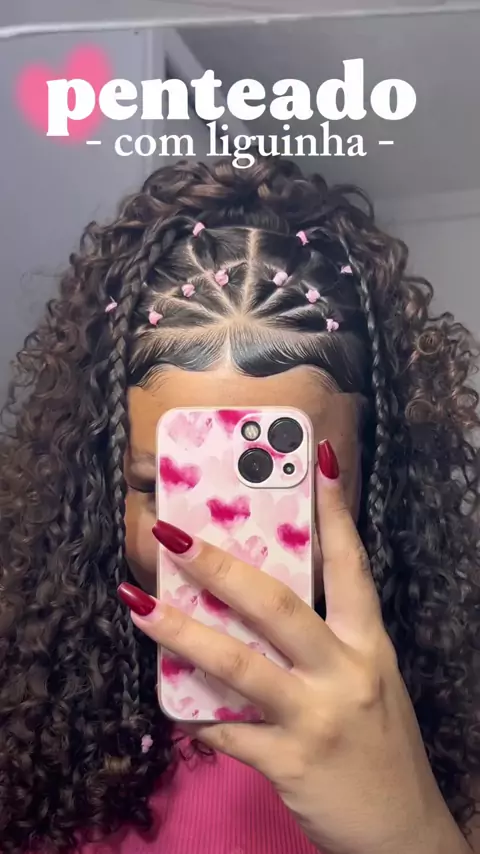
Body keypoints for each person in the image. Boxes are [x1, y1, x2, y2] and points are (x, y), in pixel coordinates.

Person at [0, 155, 478, 854]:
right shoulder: (23, 723)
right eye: (166, 484)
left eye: (283, 482)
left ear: (379, 488)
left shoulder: (464, 742)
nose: (225, 549)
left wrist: (411, 832)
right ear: (95, 487)